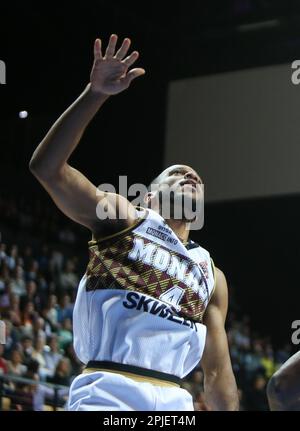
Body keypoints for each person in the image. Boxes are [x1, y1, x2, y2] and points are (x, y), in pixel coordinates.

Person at [29, 34, 238, 411]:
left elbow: (217, 372)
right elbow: (47, 168)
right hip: (109, 393)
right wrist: (95, 94)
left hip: (176, 402)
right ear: (150, 197)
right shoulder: (126, 218)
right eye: (177, 173)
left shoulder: (211, 273)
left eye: (196, 178)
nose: (191, 175)